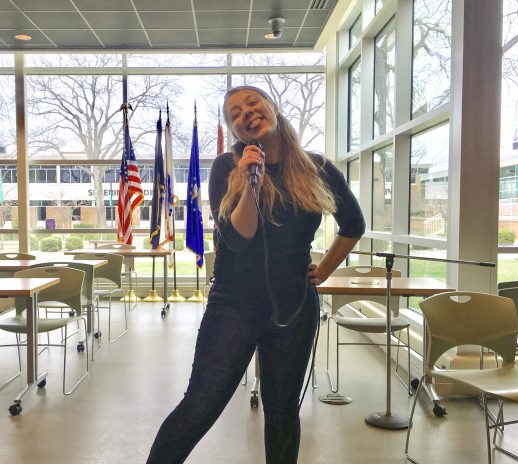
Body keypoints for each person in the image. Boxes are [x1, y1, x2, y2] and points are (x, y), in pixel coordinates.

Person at [146, 85, 365, 464]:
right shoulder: (226, 167)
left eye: (252, 103)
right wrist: (252, 184)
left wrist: (324, 270)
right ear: (236, 131)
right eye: (234, 113)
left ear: (272, 107)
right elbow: (238, 238)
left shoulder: (316, 167)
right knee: (201, 403)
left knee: (282, 412)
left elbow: (353, 224)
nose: (245, 113)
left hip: (294, 306)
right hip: (234, 304)